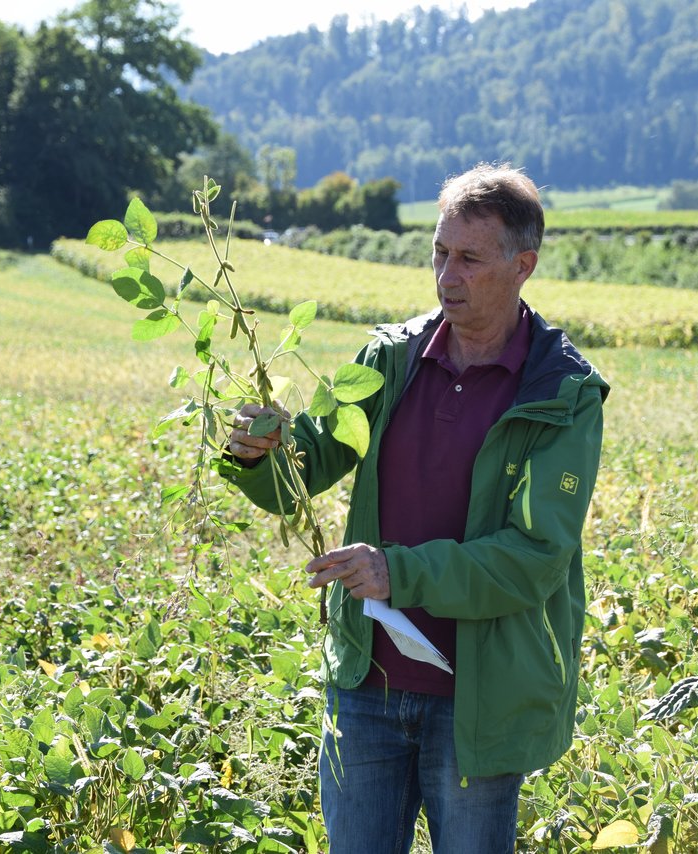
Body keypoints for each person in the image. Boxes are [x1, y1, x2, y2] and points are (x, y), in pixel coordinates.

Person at [224, 162, 609, 853]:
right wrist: (262, 453)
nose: (446, 277)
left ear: (523, 265)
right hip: (367, 683)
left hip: (477, 697)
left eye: (468, 259)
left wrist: (399, 573)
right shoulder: (390, 358)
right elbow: (307, 466)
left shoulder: (563, 393)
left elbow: (534, 559)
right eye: (438, 253)